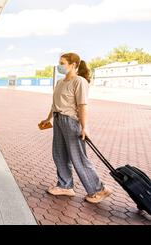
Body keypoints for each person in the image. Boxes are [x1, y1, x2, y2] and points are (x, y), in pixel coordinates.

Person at [39, 53, 112, 204]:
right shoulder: (60, 82)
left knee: (78, 156)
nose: (59, 65)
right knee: (59, 154)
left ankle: (99, 189)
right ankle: (65, 186)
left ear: (73, 65)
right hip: (59, 120)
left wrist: (85, 127)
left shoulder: (79, 81)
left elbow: (82, 106)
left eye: (62, 63)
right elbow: (55, 104)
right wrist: (48, 118)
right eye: (59, 62)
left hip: (71, 122)